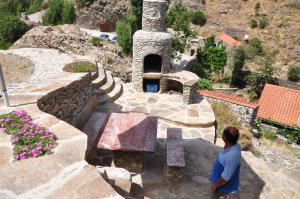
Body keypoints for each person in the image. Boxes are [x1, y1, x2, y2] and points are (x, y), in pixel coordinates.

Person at [210, 127, 241, 199]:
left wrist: (215, 185)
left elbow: (226, 177)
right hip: (219, 182)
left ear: (225, 139)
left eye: (223, 133)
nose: (222, 134)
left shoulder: (232, 156)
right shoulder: (234, 145)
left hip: (223, 189)